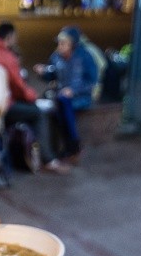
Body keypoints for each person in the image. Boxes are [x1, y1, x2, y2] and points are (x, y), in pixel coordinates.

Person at [0, 21, 72, 175]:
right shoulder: (6, 57)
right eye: (14, 37)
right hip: (1, 108)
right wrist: (33, 97)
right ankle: (48, 160)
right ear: (9, 37)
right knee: (38, 113)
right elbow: (19, 87)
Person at [33, 25, 99, 164]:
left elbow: (92, 81)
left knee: (62, 103)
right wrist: (43, 72)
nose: (60, 46)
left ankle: (73, 146)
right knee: (56, 103)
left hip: (81, 97)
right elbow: (52, 74)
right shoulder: (56, 56)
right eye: (59, 43)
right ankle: (69, 147)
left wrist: (73, 90)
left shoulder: (85, 56)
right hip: (62, 96)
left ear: (72, 45)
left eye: (63, 43)